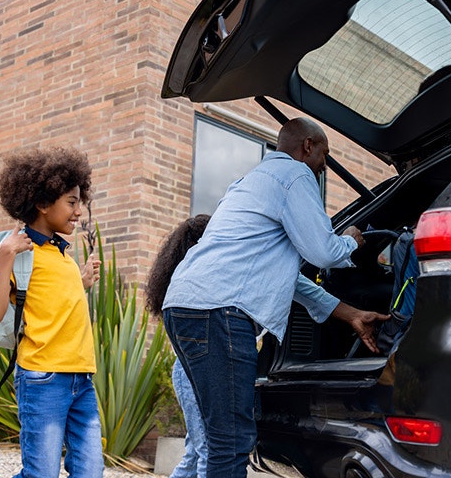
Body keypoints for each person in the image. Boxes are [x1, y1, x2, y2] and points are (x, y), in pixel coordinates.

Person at [161, 118, 389, 478]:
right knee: (230, 440)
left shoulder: (249, 184)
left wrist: (349, 314)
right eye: (325, 154)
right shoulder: (295, 176)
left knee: (217, 437)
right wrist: (352, 241)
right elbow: (323, 252)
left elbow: (287, 280)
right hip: (218, 312)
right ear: (308, 146)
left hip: (186, 306)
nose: (324, 166)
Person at [145, 215, 369, 478]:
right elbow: (306, 289)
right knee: (211, 450)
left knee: (199, 451)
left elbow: (305, 289)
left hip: (187, 371)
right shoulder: (219, 268)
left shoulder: (235, 266)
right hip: (198, 368)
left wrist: (353, 314)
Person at [0, 147, 104, 478]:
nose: (79, 211)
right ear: (42, 203)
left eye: (80, 201)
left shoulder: (62, 254)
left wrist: (81, 283)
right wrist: (5, 257)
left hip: (82, 377)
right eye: (71, 201)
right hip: (43, 378)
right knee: (41, 473)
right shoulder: (18, 251)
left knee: (90, 470)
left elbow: (54, 304)